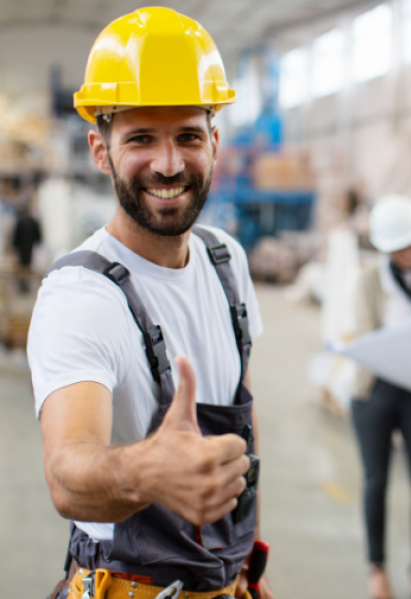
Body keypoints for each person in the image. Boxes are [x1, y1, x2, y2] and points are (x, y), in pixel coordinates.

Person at [27, 8, 273, 599]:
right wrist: (148, 471)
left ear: (214, 143)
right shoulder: (81, 296)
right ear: (100, 150)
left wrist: (250, 563)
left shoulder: (226, 262)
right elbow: (68, 473)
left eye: (188, 136)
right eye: (140, 138)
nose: (168, 164)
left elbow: (243, 423)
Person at [351, 196, 411, 599]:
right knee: (377, 481)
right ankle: (377, 568)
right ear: (385, 248)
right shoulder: (369, 283)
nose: (410, 252)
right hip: (375, 391)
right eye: (400, 246)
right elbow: (369, 337)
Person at [12, 203, 42, 292]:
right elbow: (38, 236)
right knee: (30, 266)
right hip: (31, 247)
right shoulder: (33, 221)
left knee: (22, 266)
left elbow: (16, 236)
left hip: (22, 248)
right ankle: (29, 285)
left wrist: (15, 246)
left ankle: (23, 285)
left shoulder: (19, 221)